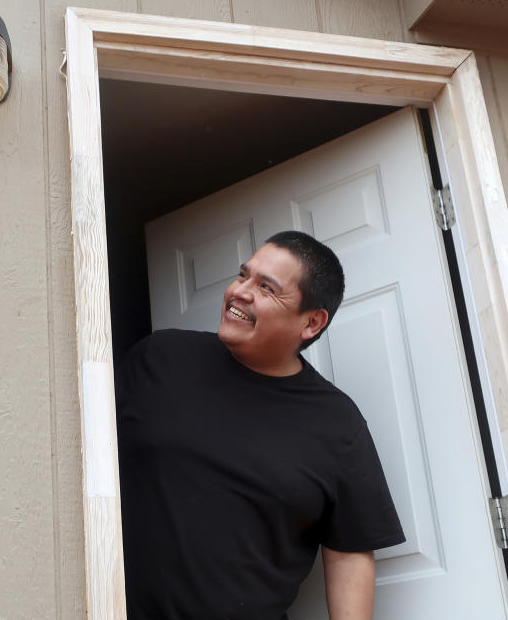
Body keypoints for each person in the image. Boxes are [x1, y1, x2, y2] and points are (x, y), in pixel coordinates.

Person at [117, 230, 405, 619]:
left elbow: (350, 554)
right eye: (243, 275)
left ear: (312, 323)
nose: (240, 291)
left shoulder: (338, 424)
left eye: (267, 288)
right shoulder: (159, 358)